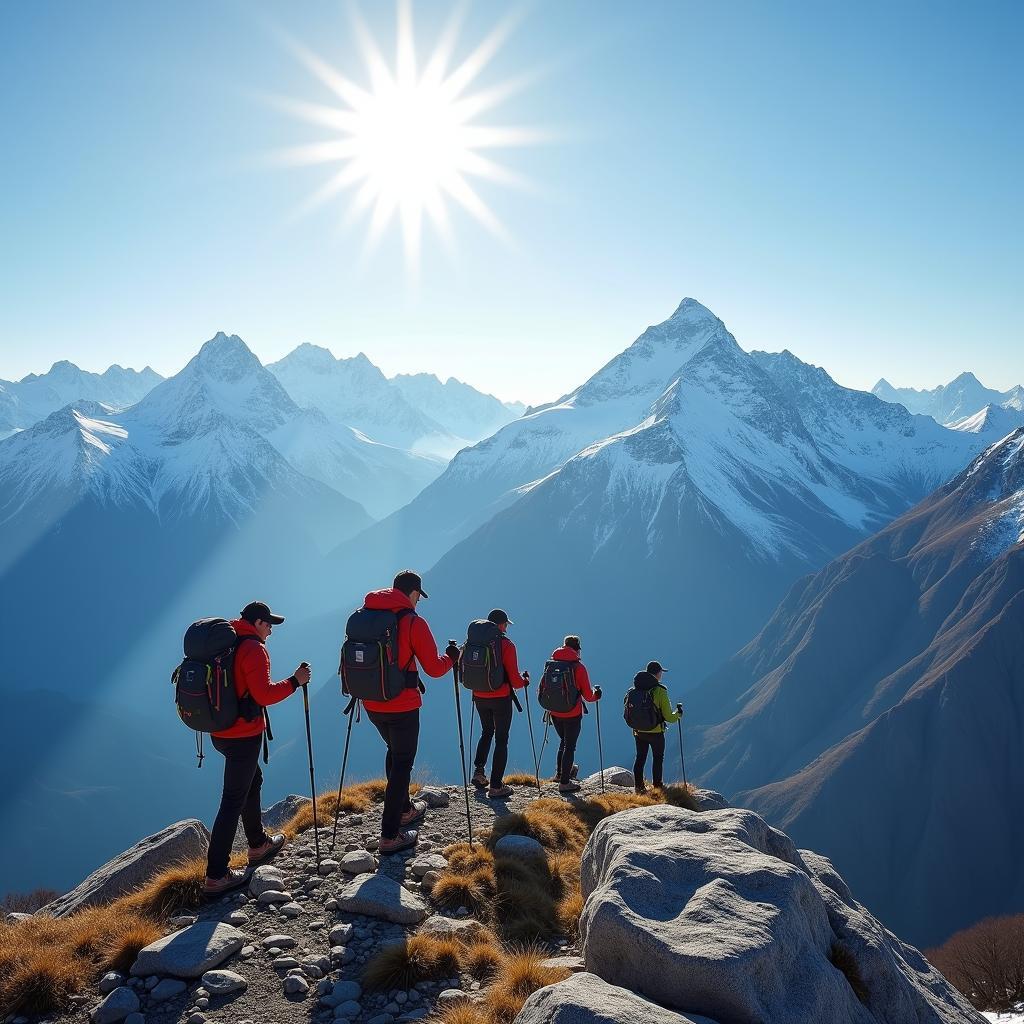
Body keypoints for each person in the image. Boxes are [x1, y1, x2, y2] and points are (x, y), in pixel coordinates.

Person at [204, 601, 311, 895]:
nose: (271, 630)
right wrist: (295, 681)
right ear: (259, 623)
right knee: (232, 799)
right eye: (269, 624)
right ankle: (216, 875)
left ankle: (257, 844)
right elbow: (263, 695)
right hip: (242, 734)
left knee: (253, 781)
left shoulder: (226, 642)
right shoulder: (253, 648)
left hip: (220, 731)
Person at [360, 570, 455, 854]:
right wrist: (452, 657)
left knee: (394, 752)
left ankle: (404, 809)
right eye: (418, 596)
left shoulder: (366, 614)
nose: (418, 602)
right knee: (402, 762)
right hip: (402, 705)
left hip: (371, 701)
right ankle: (390, 835)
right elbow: (435, 669)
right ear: (413, 593)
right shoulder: (413, 622)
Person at [470, 609, 527, 800]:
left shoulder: (475, 642)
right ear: (501, 625)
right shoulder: (506, 645)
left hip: (479, 695)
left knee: (486, 732)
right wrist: (525, 681)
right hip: (500, 697)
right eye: (505, 625)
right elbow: (515, 680)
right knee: (501, 739)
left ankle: (479, 772)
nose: (506, 628)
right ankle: (495, 786)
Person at [546, 635, 600, 794]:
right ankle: (564, 782)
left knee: (563, 741)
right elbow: (588, 696)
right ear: (577, 649)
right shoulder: (578, 667)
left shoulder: (551, 664)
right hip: (572, 713)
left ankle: (558, 774)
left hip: (554, 712)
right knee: (570, 746)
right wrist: (597, 694)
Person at [631, 661, 683, 794]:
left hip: (638, 731)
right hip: (656, 732)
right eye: (661, 672)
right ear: (658, 673)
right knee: (658, 758)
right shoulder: (660, 691)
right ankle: (658, 787)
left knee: (640, 757)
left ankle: (638, 787)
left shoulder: (635, 689)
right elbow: (669, 717)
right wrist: (678, 713)